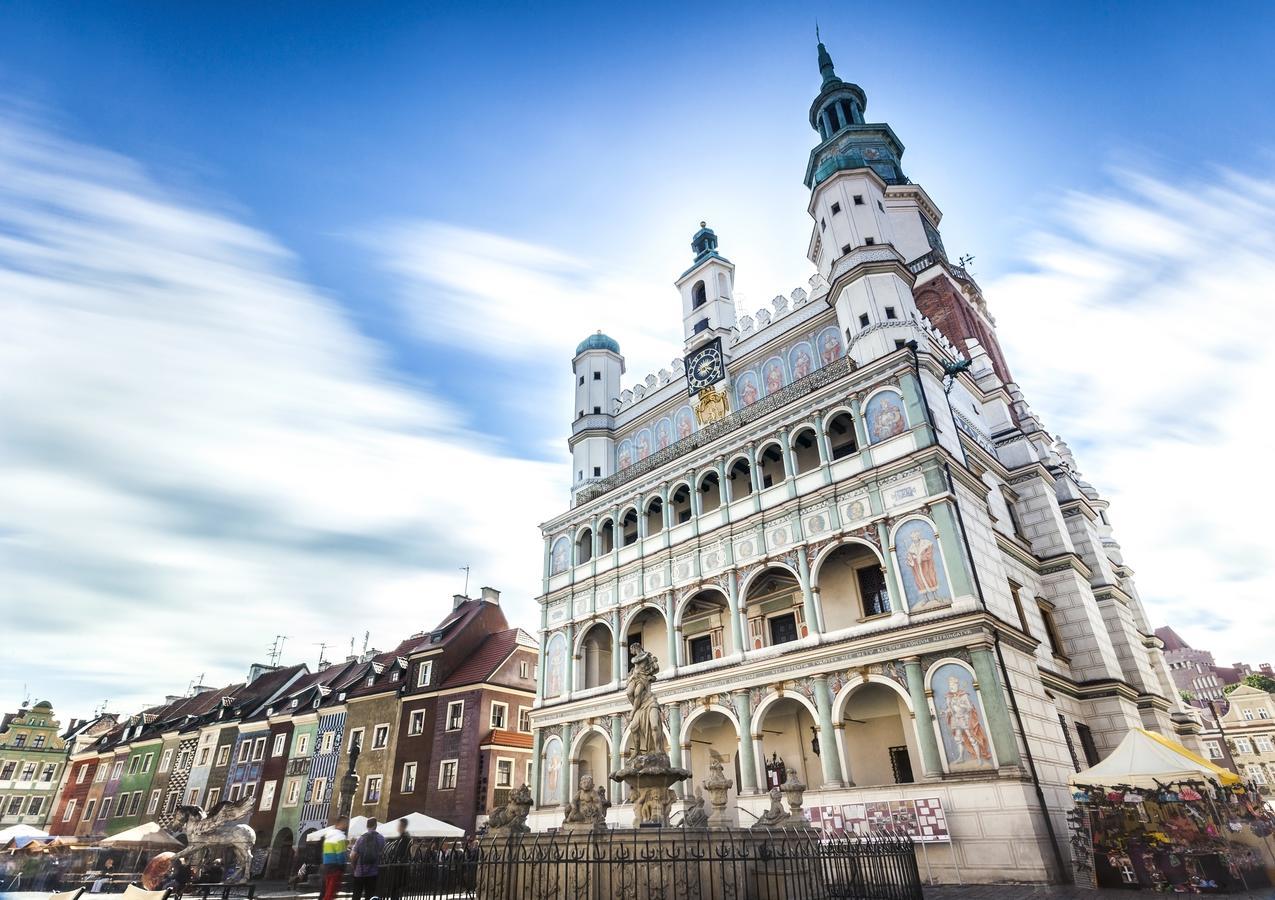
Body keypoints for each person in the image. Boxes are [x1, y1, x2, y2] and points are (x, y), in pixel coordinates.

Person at [349, 817, 385, 900]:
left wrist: (354, 867)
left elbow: (353, 855)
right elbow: (382, 854)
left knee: (356, 895)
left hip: (359, 871)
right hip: (373, 872)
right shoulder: (381, 838)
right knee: (370, 895)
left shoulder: (361, 838)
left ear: (367, 826)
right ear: (376, 825)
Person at [320, 816, 349, 900]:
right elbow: (341, 854)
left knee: (327, 891)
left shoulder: (328, 836)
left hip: (327, 866)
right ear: (341, 823)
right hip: (335, 867)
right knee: (331, 892)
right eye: (345, 823)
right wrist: (343, 866)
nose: (346, 825)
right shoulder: (340, 837)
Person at [382, 819, 412, 900]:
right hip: (397, 868)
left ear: (403, 826)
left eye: (399, 825)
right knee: (395, 891)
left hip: (399, 869)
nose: (397, 827)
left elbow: (401, 853)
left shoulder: (405, 838)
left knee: (396, 891)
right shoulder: (402, 837)